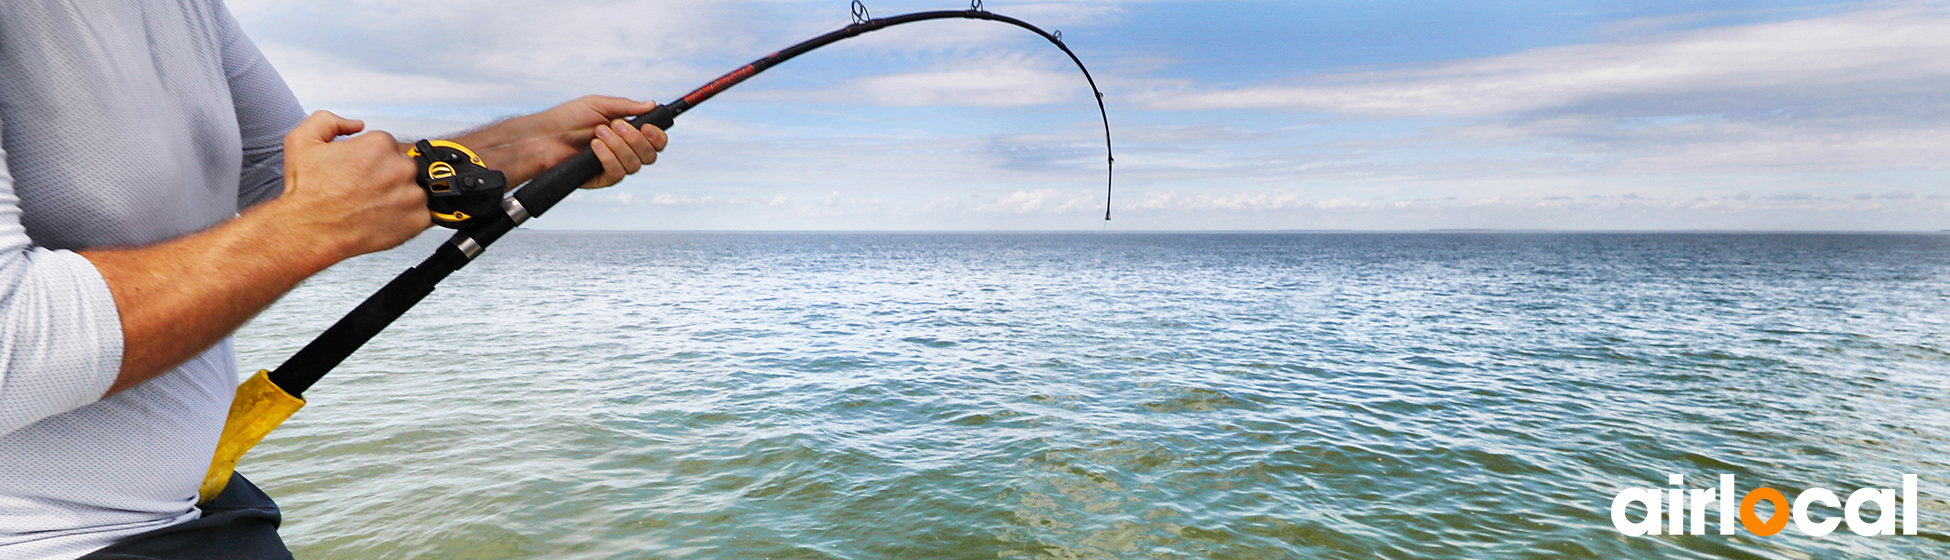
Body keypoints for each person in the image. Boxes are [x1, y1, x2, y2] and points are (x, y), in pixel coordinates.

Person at [0, 1, 668, 558]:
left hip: (203, 509)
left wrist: (530, 145)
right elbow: (12, 346)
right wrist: (303, 231)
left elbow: (290, 181)